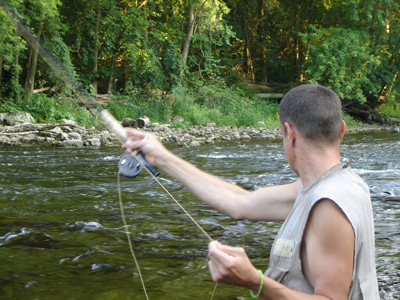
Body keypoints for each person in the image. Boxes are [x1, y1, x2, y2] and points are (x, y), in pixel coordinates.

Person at [122, 84, 380, 299]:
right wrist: (161, 157)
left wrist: (254, 281)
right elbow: (239, 202)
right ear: (342, 130)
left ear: (289, 134)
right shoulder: (327, 185)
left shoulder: (328, 205)